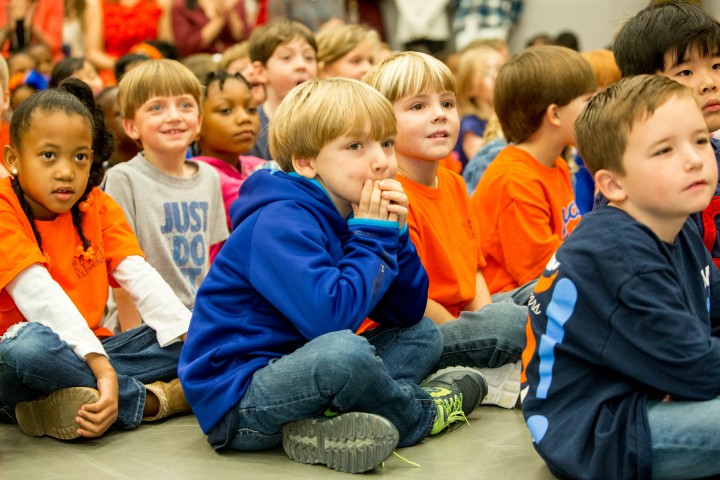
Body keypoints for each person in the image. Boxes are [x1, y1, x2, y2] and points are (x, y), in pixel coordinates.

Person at [178, 78, 487, 473]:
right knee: (345, 353)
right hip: (241, 401)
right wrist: (373, 236)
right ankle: (419, 413)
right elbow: (329, 322)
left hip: (305, 370)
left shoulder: (349, 208)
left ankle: (328, 423)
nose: (381, 161)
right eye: (356, 146)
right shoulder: (279, 220)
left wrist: (396, 234)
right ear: (307, 162)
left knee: (421, 334)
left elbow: (406, 312)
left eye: (386, 143)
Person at [522, 74, 720, 480]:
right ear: (613, 185)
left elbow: (714, 311)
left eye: (700, 140)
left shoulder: (675, 222)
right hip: (601, 431)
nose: (695, 159)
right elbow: (700, 371)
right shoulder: (619, 257)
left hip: (650, 392)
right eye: (664, 150)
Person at [0, 78, 193, 441]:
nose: (65, 171)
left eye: (80, 157)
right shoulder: (2, 208)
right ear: (13, 160)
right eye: (48, 155)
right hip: (18, 361)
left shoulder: (97, 205)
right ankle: (153, 400)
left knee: (196, 330)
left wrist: (198, 339)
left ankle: (55, 403)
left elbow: (140, 277)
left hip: (90, 349)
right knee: (25, 345)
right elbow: (40, 296)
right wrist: (102, 369)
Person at [363, 51, 528, 409]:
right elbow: (414, 302)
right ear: (381, 125)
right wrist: (480, 332)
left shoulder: (454, 183)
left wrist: (482, 323)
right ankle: (473, 369)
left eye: (447, 103)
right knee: (512, 323)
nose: (439, 113)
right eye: (418, 106)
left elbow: (473, 268)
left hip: (463, 319)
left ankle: (488, 363)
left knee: (542, 293)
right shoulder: (391, 195)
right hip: (418, 330)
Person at [102, 59, 228, 332]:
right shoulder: (124, 178)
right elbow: (120, 271)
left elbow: (210, 258)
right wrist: (132, 341)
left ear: (199, 121)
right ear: (132, 126)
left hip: (197, 317)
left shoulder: (209, 177)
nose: (174, 115)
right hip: (145, 325)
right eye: (156, 107)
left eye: (185, 105)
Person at [471, 46, 596, 294]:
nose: (596, 110)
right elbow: (542, 272)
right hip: (511, 301)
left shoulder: (556, 163)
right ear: (555, 114)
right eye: (588, 101)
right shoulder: (516, 180)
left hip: (546, 281)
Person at [612, 0, 720, 268]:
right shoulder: (639, 178)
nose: (709, 83)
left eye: (716, 66)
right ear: (642, 86)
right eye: (686, 71)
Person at [195, 70, 265, 258]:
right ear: (196, 122)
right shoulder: (200, 175)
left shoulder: (256, 164)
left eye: (251, 109)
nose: (245, 118)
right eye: (226, 110)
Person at [247, 19, 318, 160]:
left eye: (309, 57)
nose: (301, 65)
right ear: (261, 71)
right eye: (287, 57)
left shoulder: (325, 119)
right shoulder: (251, 129)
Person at [84, 0, 173, 81]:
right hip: (114, 70)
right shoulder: (97, 4)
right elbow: (93, 53)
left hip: (151, 68)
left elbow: (166, 46)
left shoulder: (161, 2)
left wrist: (145, 65)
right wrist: (124, 65)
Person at [453, 45, 505, 171]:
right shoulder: (471, 125)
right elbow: (483, 165)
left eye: (501, 70)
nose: (496, 77)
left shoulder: (504, 117)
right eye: (489, 73)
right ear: (470, 87)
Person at [171, 0, 250, 58]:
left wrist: (230, 12)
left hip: (232, 57)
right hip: (201, 60)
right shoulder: (181, 6)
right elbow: (187, 47)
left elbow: (242, 36)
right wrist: (219, 20)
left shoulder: (233, 2)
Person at [96, 86, 139, 170]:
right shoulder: (97, 172)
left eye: (135, 111)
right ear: (102, 122)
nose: (132, 118)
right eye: (121, 114)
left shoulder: (159, 160)